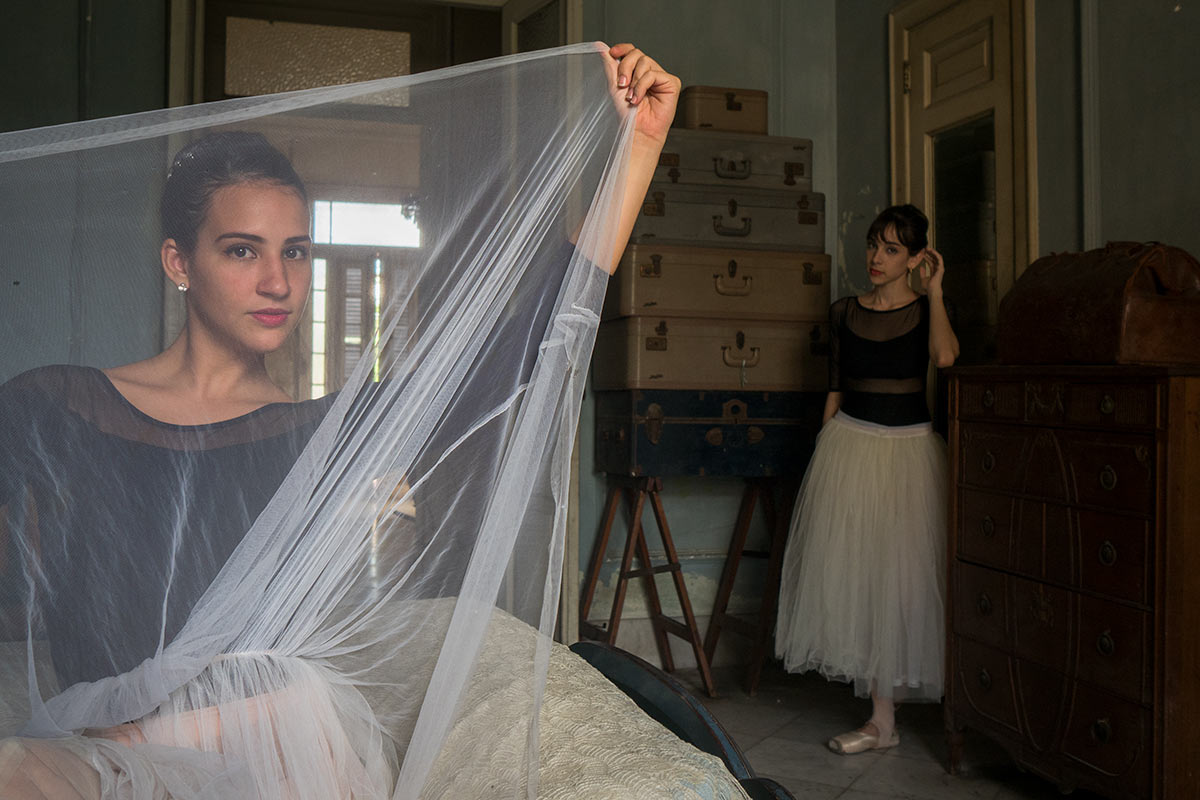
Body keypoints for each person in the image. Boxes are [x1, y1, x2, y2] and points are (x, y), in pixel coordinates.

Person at [0, 43, 682, 798]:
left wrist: (636, 151)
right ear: (177, 262)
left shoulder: (325, 430)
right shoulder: (55, 404)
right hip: (100, 744)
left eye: (295, 251)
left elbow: (526, 345)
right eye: (240, 250)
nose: (277, 281)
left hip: (275, 745)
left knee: (277, 699)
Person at [774, 203, 960, 755]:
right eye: (874, 245)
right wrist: (823, 456)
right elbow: (835, 388)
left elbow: (946, 357)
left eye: (892, 249)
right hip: (850, 448)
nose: (877, 257)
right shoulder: (842, 311)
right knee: (860, 577)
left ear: (916, 259)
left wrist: (937, 291)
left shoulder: (928, 310)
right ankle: (882, 719)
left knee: (900, 580)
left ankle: (888, 717)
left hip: (907, 455)